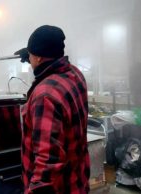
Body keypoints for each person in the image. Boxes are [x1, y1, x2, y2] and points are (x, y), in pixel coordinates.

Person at [15, 25, 90, 194]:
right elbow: (50, 65)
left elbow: (47, 166)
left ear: (40, 58)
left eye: (32, 54)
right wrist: (31, 55)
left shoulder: (45, 96)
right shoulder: (75, 74)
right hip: (77, 183)